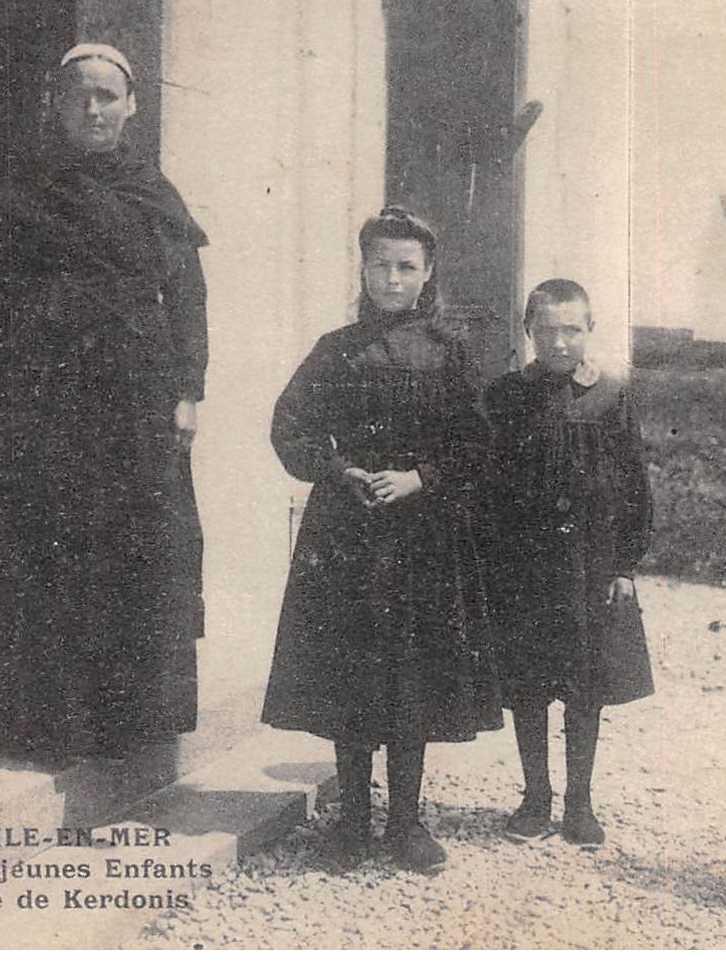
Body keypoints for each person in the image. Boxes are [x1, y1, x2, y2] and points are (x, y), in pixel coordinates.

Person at [0, 43, 208, 765]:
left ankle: (127, 727)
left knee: (132, 553)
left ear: (131, 105)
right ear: (57, 105)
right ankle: (54, 726)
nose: (93, 110)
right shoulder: (31, 186)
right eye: (79, 96)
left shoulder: (154, 192)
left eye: (107, 97)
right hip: (53, 397)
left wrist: (187, 394)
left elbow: (187, 299)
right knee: (56, 550)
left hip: (137, 400)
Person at [261, 207, 503, 874]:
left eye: (405, 267)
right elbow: (289, 427)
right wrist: (338, 470)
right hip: (346, 536)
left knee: (411, 675)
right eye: (379, 265)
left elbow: (478, 443)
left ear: (427, 275)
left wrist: (421, 477)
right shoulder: (335, 349)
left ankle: (405, 822)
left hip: (421, 537)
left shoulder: (450, 355)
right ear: (363, 268)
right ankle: (352, 822)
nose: (391, 280)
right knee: (351, 674)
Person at [484, 279, 654, 848]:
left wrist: (625, 566)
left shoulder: (610, 398)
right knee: (529, 685)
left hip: (590, 564)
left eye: (571, 330)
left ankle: (579, 802)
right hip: (523, 567)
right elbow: (486, 484)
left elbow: (634, 487)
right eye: (548, 329)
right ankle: (536, 797)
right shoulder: (507, 396)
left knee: (585, 686)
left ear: (589, 331)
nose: (560, 342)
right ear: (529, 330)